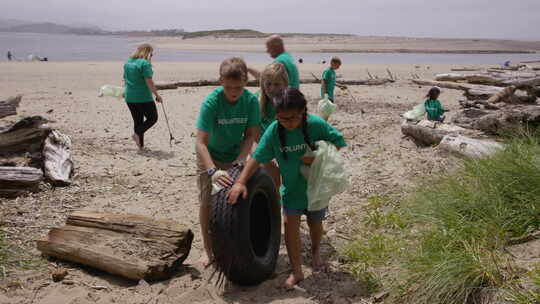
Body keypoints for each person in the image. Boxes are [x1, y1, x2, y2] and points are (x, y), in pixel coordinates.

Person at [227, 88, 346, 287]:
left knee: (315, 225)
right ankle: (297, 270)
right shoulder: (274, 131)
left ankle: (315, 252)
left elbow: (339, 142)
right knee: (290, 225)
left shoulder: (316, 124)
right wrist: (240, 182)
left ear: (304, 111)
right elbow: (256, 158)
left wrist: (318, 156)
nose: (288, 123)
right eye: (283, 118)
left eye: (293, 118)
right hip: (291, 190)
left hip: (316, 189)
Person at [195, 57, 261, 267]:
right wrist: (212, 170)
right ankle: (207, 249)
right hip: (210, 156)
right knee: (207, 202)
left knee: (236, 200)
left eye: (239, 87)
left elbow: (251, 136)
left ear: (245, 83)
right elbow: (200, 143)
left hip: (236, 156)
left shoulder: (250, 102)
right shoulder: (211, 103)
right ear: (221, 81)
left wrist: (242, 157)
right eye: (229, 87)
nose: (233, 92)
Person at [257, 62, 289, 194]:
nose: (272, 88)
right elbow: (253, 134)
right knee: (272, 181)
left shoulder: (290, 101)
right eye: (268, 84)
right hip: (264, 149)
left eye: (277, 84)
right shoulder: (256, 103)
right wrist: (267, 158)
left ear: (285, 84)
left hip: (286, 147)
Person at [123, 43, 162, 150]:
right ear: (147, 52)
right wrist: (157, 95)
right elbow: (149, 82)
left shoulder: (128, 63)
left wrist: (124, 92)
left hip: (129, 97)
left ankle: (140, 145)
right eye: (152, 54)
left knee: (138, 121)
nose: (152, 56)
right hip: (143, 97)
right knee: (153, 118)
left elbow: (125, 80)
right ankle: (137, 134)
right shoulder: (144, 64)